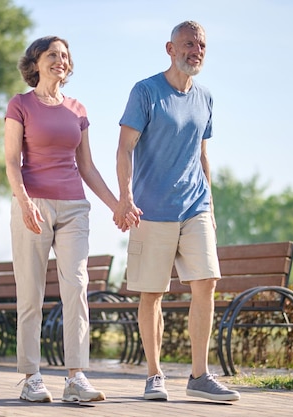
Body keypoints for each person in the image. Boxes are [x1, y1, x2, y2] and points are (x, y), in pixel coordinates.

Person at [113, 21, 241, 402]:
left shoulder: (206, 98)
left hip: (196, 205)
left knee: (207, 283)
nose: (195, 50)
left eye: (201, 45)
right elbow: (125, 148)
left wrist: (212, 208)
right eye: (188, 44)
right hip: (151, 208)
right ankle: (154, 375)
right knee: (151, 293)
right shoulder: (146, 91)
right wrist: (125, 197)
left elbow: (202, 155)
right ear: (170, 48)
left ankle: (199, 375)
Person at [4, 35, 118, 403]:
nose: (60, 60)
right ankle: (32, 376)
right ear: (35, 62)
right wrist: (24, 202)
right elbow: (11, 161)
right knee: (32, 293)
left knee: (76, 289)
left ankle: (76, 377)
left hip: (73, 207)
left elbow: (86, 166)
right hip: (33, 204)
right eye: (52, 54)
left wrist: (116, 204)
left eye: (65, 55)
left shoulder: (77, 109)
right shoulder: (20, 104)